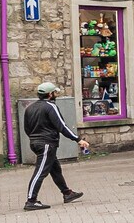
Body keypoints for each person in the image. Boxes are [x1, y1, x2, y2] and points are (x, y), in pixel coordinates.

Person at [22, 80, 87, 210]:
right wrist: (77, 139)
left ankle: (67, 193)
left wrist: (34, 138)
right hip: (46, 143)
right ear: (50, 94)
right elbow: (62, 126)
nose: (55, 95)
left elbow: (27, 128)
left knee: (55, 169)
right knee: (40, 172)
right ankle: (31, 201)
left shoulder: (30, 107)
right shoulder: (50, 106)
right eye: (54, 93)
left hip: (35, 142)